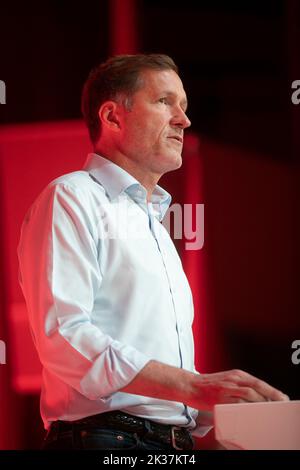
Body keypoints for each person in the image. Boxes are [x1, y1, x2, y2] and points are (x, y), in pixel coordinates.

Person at [18, 54, 288, 451]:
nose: (183, 119)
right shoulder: (72, 196)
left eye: (184, 106)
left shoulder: (154, 222)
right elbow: (65, 335)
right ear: (112, 117)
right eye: (165, 102)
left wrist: (234, 409)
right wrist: (196, 386)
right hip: (106, 441)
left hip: (167, 444)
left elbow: (158, 379)